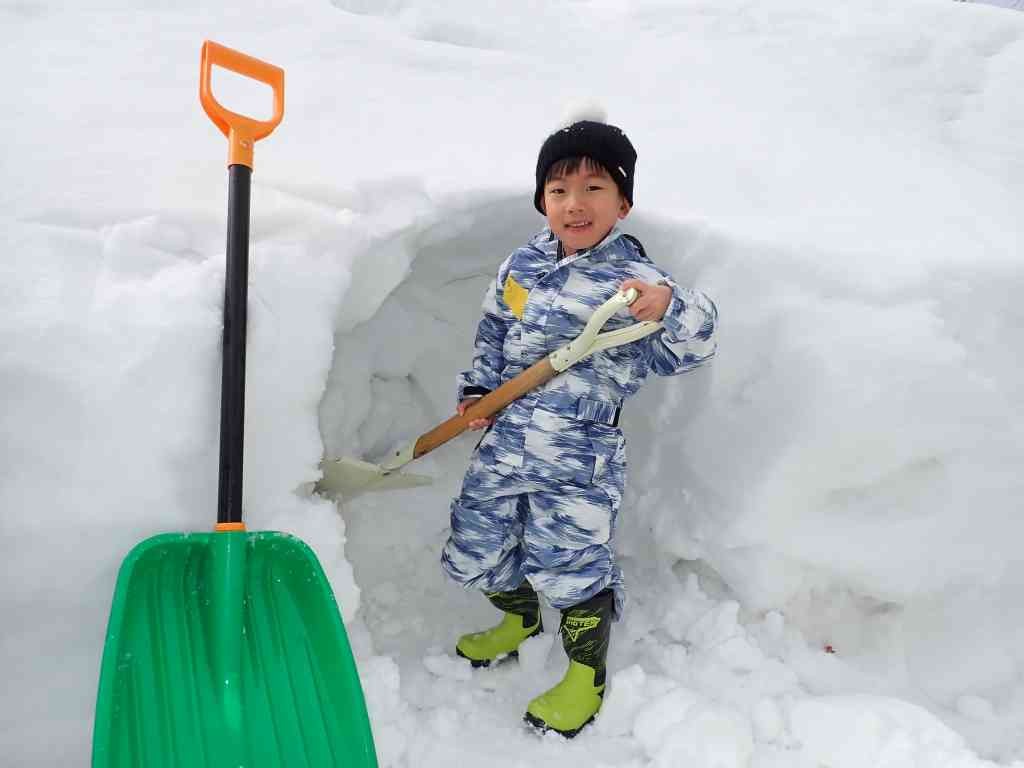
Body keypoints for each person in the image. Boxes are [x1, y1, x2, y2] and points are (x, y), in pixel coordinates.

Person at [440, 110, 719, 737]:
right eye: (559, 190)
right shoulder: (525, 264)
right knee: (475, 545)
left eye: (595, 189)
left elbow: (691, 350)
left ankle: (583, 675)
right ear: (543, 200)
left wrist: (672, 306)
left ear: (622, 203)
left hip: (579, 457)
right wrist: (479, 391)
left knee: (570, 565)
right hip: (505, 441)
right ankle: (517, 619)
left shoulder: (636, 283)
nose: (575, 204)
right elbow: (495, 330)